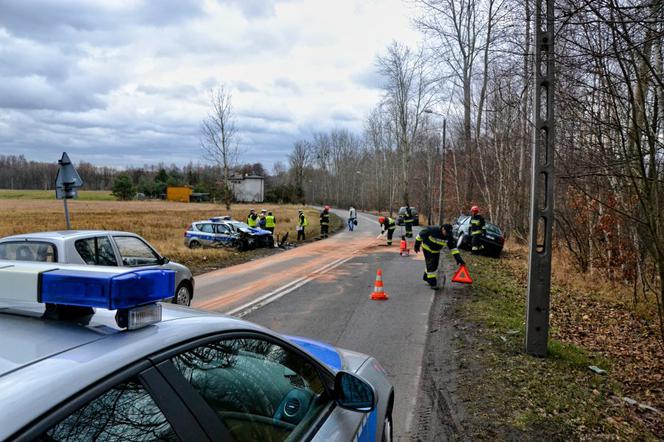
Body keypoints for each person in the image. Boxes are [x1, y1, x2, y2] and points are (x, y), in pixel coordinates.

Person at [414, 224, 465, 290]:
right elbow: (420, 235)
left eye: (448, 233)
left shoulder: (449, 236)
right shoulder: (433, 230)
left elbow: (453, 248)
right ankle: (433, 283)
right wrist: (417, 245)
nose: (446, 234)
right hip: (427, 248)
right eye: (446, 232)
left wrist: (458, 258)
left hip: (436, 251)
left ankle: (426, 277)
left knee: (435, 265)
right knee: (431, 265)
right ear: (443, 229)